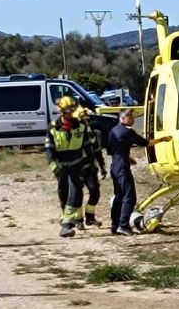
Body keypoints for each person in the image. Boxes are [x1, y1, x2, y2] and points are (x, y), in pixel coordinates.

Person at [105, 109, 170, 235]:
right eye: (130, 117)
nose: (133, 119)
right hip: (122, 168)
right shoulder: (127, 132)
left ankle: (115, 225)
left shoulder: (113, 131)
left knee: (119, 196)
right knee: (129, 197)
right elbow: (146, 143)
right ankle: (123, 225)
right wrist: (163, 140)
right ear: (122, 119)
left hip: (115, 166)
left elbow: (113, 150)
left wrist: (127, 158)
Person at [46, 96, 95, 238]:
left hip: (77, 163)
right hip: (60, 165)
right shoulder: (53, 126)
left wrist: (92, 164)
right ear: (61, 112)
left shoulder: (81, 126)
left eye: (73, 109)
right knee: (63, 192)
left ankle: (67, 225)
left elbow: (88, 145)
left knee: (75, 191)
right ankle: (65, 215)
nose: (71, 113)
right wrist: (54, 165)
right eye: (68, 110)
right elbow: (49, 149)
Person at [74, 107, 105, 228]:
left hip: (89, 168)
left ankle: (90, 217)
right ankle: (78, 220)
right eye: (82, 120)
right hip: (75, 169)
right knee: (77, 195)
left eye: (86, 120)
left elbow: (97, 151)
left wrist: (102, 166)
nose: (85, 122)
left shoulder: (92, 133)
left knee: (95, 191)